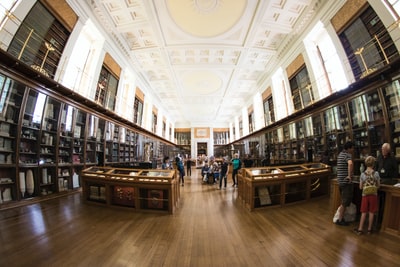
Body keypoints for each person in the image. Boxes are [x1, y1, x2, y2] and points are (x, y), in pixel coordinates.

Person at [354, 156, 380, 235]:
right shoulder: (376, 173)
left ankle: (360, 229)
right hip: (373, 195)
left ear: (366, 164)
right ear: (373, 164)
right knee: (372, 212)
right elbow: (378, 185)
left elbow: (361, 187)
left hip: (365, 195)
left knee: (364, 212)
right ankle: (369, 229)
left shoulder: (362, 174)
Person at [335, 141, 354, 226]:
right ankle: (340, 219)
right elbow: (350, 164)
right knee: (345, 202)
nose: (353, 150)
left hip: (340, 181)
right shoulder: (347, 155)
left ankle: (340, 217)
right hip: (346, 182)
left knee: (343, 200)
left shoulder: (340, 155)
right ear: (349, 148)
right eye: (352, 148)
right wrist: (349, 176)